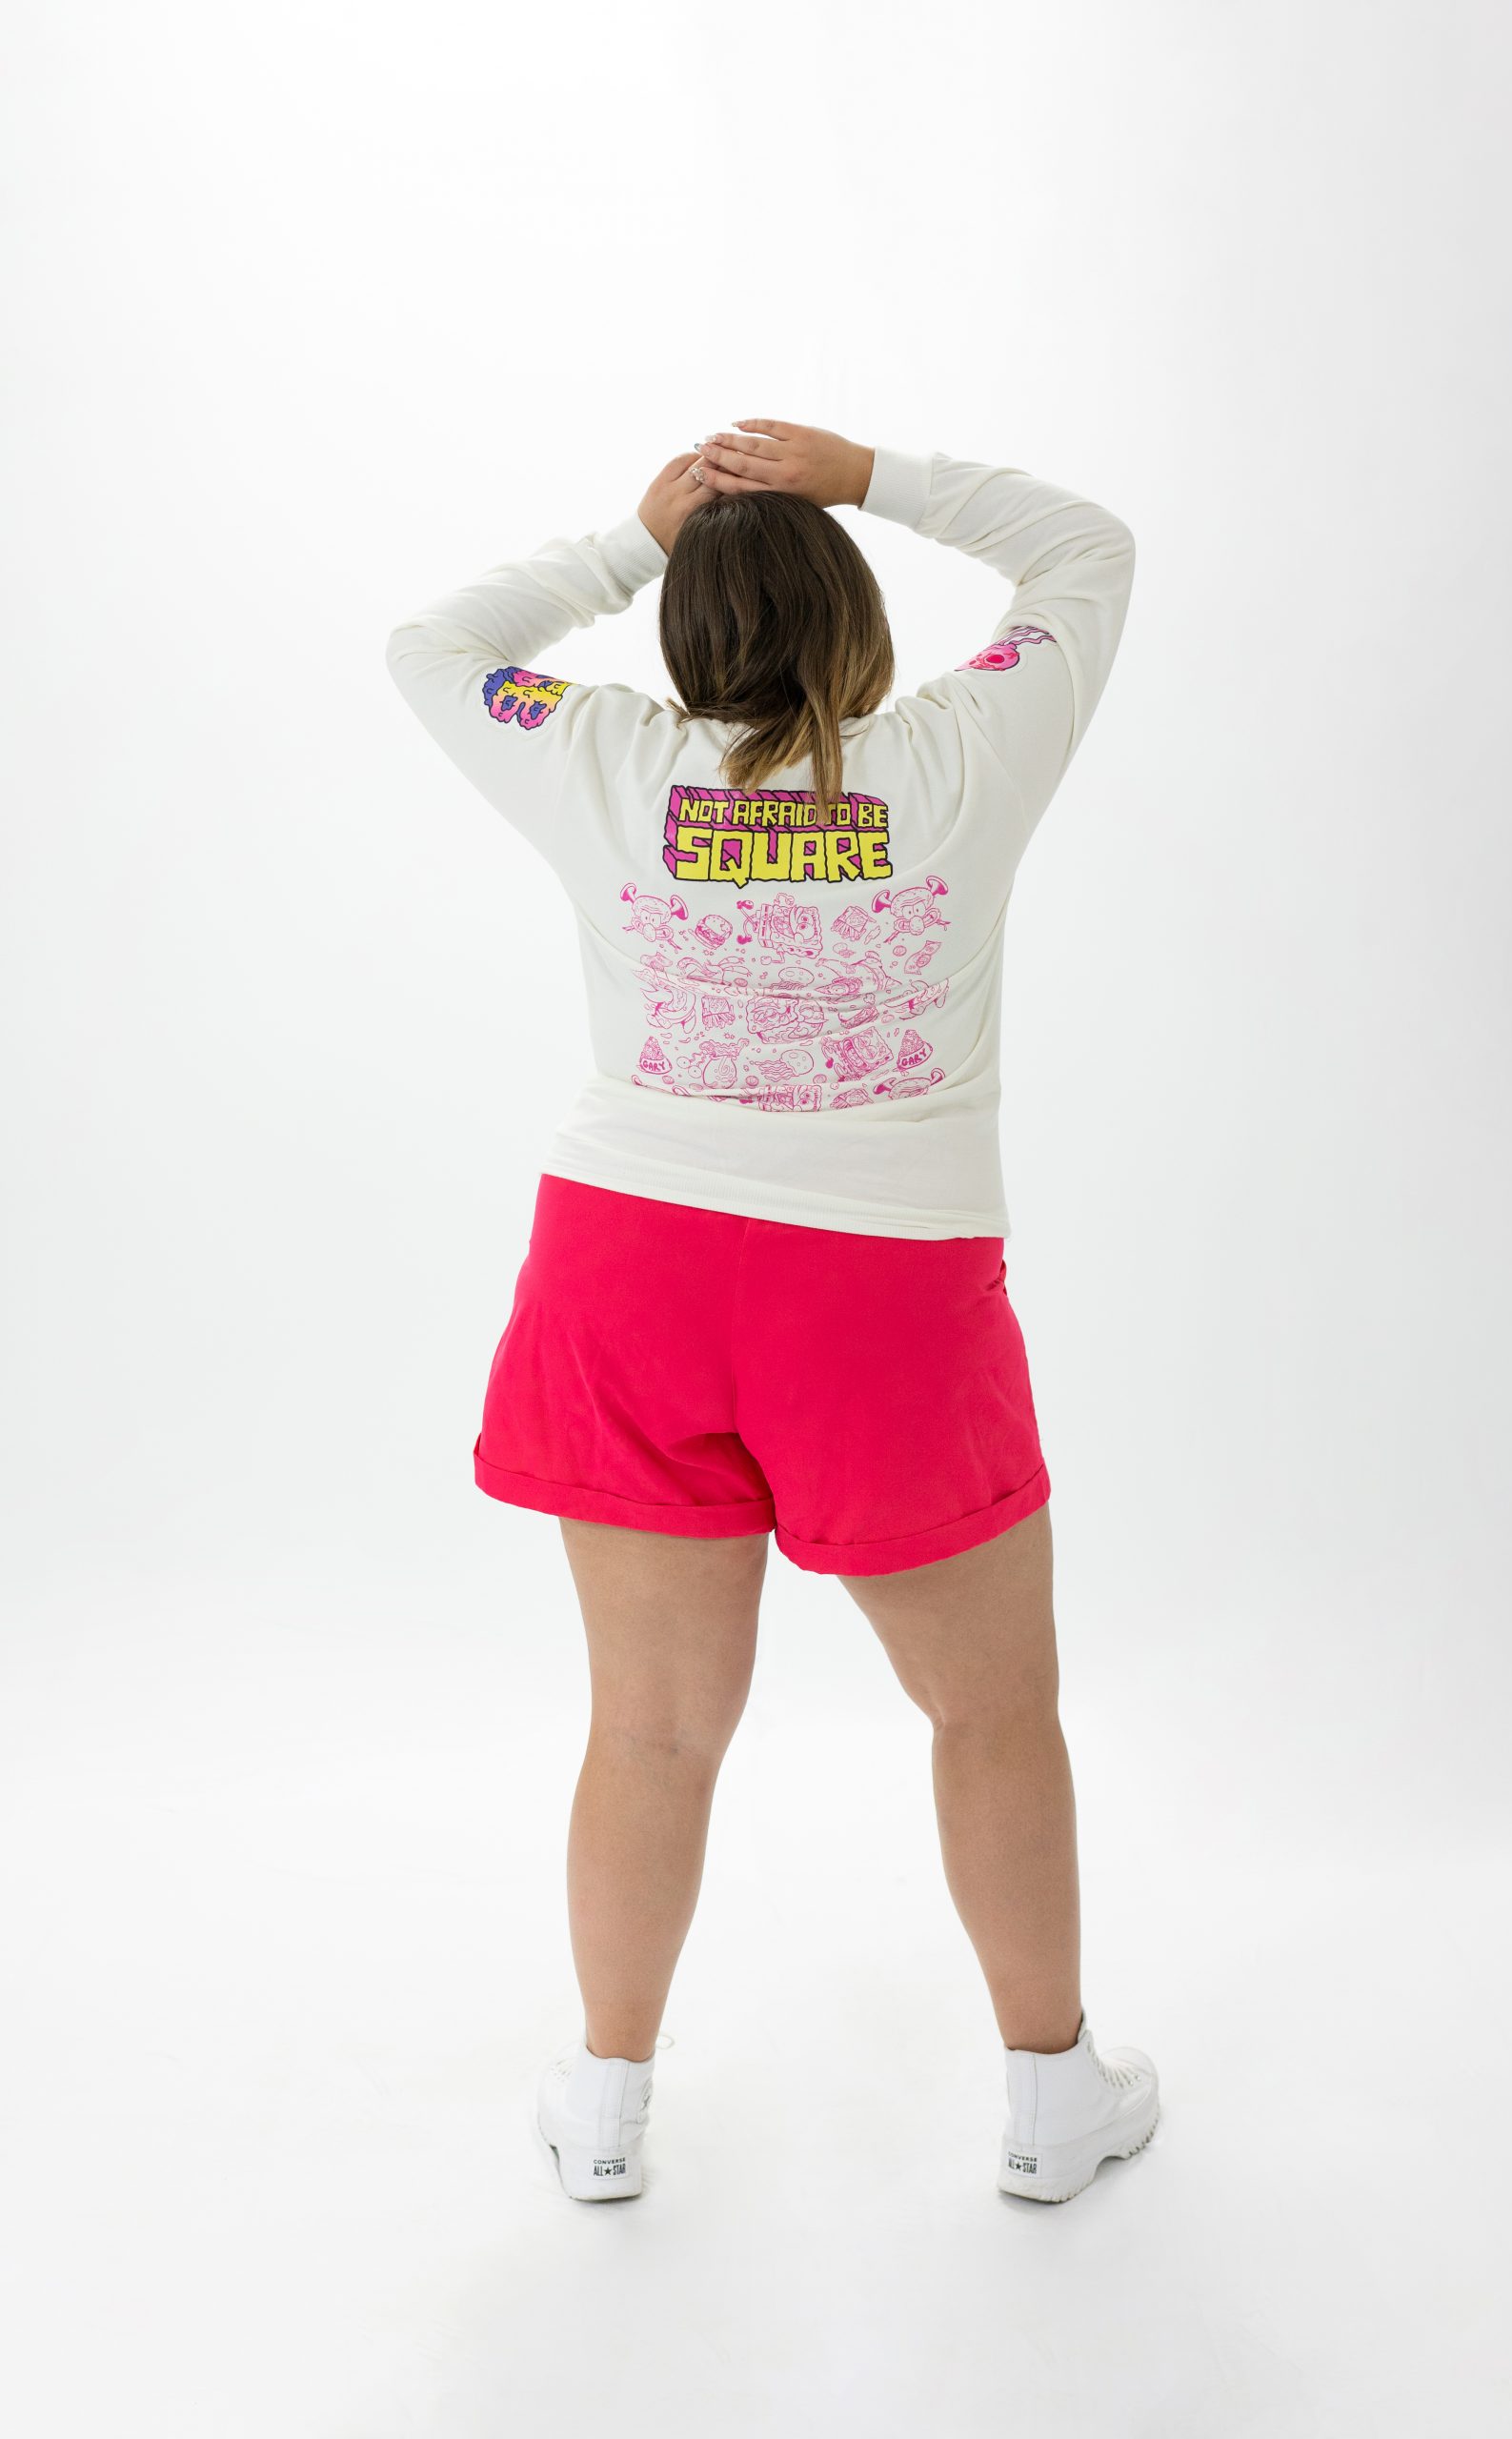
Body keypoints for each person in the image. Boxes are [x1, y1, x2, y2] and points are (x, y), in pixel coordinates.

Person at [384, 420, 1159, 2206]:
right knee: (991, 1710)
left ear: (682, 635)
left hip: (629, 1269)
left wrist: (632, 535)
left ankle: (602, 2110)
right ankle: (1054, 2104)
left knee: (652, 1725)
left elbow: (434, 648)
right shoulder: (962, 753)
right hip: (883, 1297)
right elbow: (1086, 550)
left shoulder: (601, 760)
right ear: (861, 628)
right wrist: (862, 469)